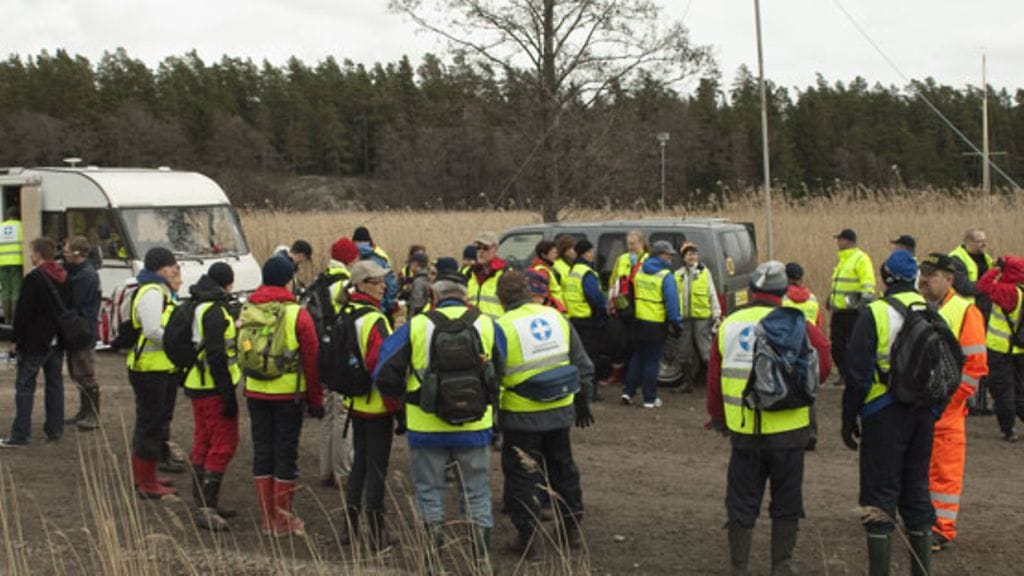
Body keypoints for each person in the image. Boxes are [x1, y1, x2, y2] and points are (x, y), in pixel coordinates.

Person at [706, 261, 831, 576]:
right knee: (787, 500)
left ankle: (740, 567)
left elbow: (713, 381)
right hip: (789, 430)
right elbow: (825, 362)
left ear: (751, 291)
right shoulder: (799, 323)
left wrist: (720, 418)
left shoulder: (729, 324)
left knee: (741, 501)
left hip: (744, 431)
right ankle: (782, 566)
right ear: (784, 292)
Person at [375, 267, 502, 573]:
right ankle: (481, 563)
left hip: (426, 428)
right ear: (466, 296)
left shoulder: (417, 325)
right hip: (474, 427)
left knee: (430, 493)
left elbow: (383, 372)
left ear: (434, 295)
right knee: (476, 493)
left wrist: (405, 403)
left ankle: (432, 565)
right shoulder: (486, 324)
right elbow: (503, 367)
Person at [842, 250, 935, 576]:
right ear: (914, 278)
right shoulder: (933, 311)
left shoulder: (875, 313)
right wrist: (934, 411)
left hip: (883, 412)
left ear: (885, 277)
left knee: (879, 494)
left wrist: (848, 418)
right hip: (923, 413)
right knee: (917, 489)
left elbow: (857, 373)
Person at [494, 271, 594, 556]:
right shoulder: (554, 317)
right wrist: (582, 399)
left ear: (501, 298)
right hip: (560, 409)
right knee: (563, 469)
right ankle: (570, 530)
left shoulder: (502, 326)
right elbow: (582, 362)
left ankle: (529, 538)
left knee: (522, 477)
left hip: (521, 416)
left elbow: (493, 375)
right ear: (528, 291)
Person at [244, 256, 323, 537]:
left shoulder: (249, 307)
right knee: (285, 454)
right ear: (289, 279)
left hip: (255, 390)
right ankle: (283, 519)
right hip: (288, 394)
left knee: (262, 450)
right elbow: (312, 360)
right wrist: (316, 400)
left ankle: (268, 520)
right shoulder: (296, 313)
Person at [917, 253, 988, 552]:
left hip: (946, 408)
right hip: (924, 404)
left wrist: (953, 401)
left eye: (931, 275)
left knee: (943, 471)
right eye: (924, 274)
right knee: (922, 468)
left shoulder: (965, 311)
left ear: (949, 278)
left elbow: (975, 365)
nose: (925, 280)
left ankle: (941, 529)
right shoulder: (922, 306)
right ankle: (925, 523)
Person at [338, 260, 396, 550]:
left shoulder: (345, 312)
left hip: (355, 402)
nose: (383, 285)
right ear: (361, 284)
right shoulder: (375, 319)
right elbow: (381, 364)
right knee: (376, 468)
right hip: (376, 405)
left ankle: (349, 527)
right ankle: (376, 532)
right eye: (376, 281)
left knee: (360, 465)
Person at [123, 247, 182, 496]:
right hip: (149, 369)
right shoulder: (152, 291)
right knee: (149, 424)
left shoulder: (158, 289)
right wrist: (177, 343)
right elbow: (151, 330)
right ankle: (146, 483)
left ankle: (148, 476)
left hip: (157, 368)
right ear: (161, 268)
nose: (175, 270)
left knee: (153, 423)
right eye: (171, 266)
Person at [184, 263, 240, 532]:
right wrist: (228, 393)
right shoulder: (215, 310)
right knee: (223, 444)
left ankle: (203, 503)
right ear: (227, 283)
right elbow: (217, 355)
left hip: (198, 383)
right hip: (213, 387)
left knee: (203, 441)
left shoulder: (199, 303)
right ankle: (206, 506)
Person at [0, 237, 68, 448]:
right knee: (55, 386)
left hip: (35, 342)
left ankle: (21, 434)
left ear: (38, 254)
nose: (29, 256)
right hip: (57, 341)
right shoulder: (63, 276)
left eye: (31, 252)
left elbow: (23, 313)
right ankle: (55, 430)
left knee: (25, 387)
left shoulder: (34, 278)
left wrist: (15, 340)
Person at [317, 237, 358, 488]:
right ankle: (343, 471)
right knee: (343, 414)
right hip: (339, 355)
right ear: (350, 258)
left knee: (328, 414)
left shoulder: (320, 280)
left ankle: (325, 470)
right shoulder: (344, 284)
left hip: (323, 353)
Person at [621, 240, 682, 408]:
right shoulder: (665, 276)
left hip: (638, 321)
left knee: (637, 357)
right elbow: (672, 304)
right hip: (656, 324)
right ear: (659, 255)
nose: (670, 258)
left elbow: (632, 293)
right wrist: (677, 324)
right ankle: (649, 398)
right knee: (652, 362)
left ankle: (628, 392)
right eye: (667, 254)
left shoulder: (640, 269)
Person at [976, 256, 1024, 442]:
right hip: (1019, 350)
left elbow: (983, 285)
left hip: (1000, 348)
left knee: (1002, 391)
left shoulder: (1007, 291)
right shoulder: (1020, 290)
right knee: (1020, 390)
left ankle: (1008, 429)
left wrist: (996, 269)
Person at [664, 244, 721, 393]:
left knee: (706, 351)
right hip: (684, 319)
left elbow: (712, 294)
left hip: (702, 318)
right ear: (683, 257)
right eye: (689, 254)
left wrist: (717, 314)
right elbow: (673, 298)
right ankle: (687, 383)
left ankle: (715, 384)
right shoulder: (678, 275)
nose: (692, 257)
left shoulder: (704, 273)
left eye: (694, 254)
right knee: (684, 351)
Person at [62, 236, 102, 432]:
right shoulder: (80, 273)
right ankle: (84, 411)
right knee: (76, 371)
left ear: (77, 253)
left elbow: (76, 302)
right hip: (78, 328)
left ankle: (93, 414)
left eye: (68, 250)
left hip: (82, 329)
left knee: (85, 372)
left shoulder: (85, 276)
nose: (64, 253)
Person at [828, 228, 876, 385]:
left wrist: (864, 302)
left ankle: (850, 375)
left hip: (853, 311)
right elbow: (839, 284)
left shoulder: (860, 259)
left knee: (852, 346)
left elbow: (867, 281)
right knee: (837, 345)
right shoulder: (843, 260)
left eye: (840, 239)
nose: (838, 242)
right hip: (839, 310)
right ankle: (844, 373)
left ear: (848, 241)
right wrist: (831, 299)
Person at [563, 239, 608, 399]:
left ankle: (576, 389)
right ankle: (591, 392)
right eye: (590, 251)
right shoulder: (586, 272)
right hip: (588, 320)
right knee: (590, 357)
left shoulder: (573, 269)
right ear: (584, 253)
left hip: (574, 317)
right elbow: (595, 297)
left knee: (577, 356)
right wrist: (603, 310)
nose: (592, 254)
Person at [949, 228, 993, 312]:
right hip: (966, 309)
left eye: (985, 241)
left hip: (986, 308)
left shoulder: (986, 258)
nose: (984, 244)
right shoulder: (956, 259)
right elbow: (964, 288)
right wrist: (989, 285)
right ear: (968, 242)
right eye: (979, 241)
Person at [468, 231, 507, 318]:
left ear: (495, 249)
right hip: (475, 328)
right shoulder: (470, 273)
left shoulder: (504, 274)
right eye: (478, 248)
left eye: (485, 248)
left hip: (496, 328)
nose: (481, 252)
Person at [0, 206, 23, 324]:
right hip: (16, 262)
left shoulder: (0, 227)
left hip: (2, 263)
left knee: (5, 291)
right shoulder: (21, 226)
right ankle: (15, 319)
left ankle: (7, 319)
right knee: (16, 291)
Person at [783, 262, 824, 328]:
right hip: (810, 337)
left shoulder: (781, 298)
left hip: (787, 337)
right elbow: (819, 324)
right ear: (801, 279)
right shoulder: (813, 298)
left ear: (786, 278)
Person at [530, 239, 564, 305]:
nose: (556, 255)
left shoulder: (547, 268)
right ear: (544, 255)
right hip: (552, 310)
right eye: (554, 253)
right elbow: (543, 296)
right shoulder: (541, 271)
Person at [405, 250, 433, 319]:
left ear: (415, 264)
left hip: (418, 319)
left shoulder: (418, 281)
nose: (409, 266)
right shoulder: (428, 277)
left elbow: (417, 304)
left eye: (410, 263)